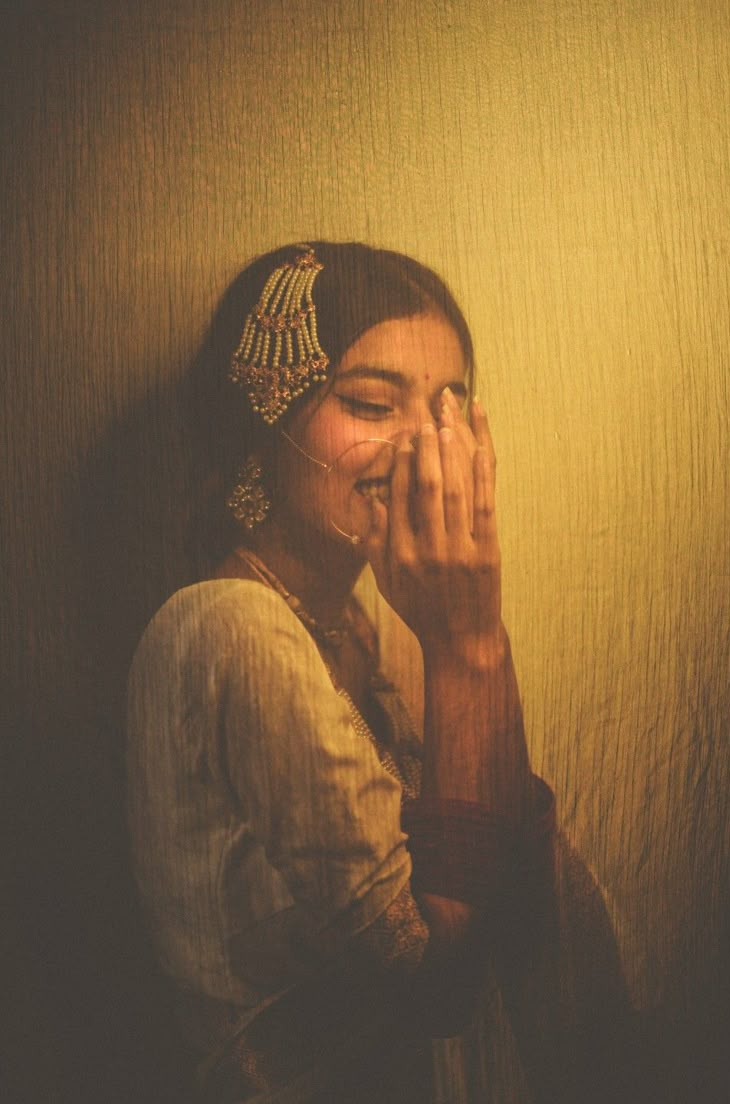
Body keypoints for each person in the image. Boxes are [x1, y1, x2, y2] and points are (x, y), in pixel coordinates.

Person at [127, 242, 633, 1103]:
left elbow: (517, 886)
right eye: (369, 402)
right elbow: (438, 982)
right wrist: (466, 643)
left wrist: (471, 624)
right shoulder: (228, 625)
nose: (422, 445)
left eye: (449, 408)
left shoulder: (367, 633)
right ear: (266, 422)